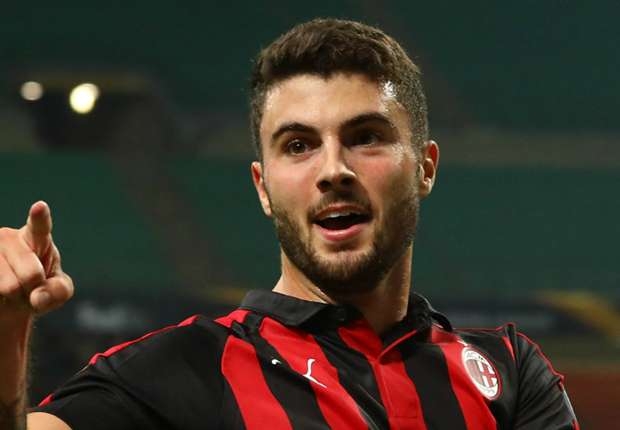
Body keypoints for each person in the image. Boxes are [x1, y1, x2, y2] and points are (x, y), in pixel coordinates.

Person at [0, 18, 578, 430]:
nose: (334, 170)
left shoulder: (510, 373)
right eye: (298, 145)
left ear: (425, 168)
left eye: (365, 137)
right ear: (263, 188)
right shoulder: (183, 370)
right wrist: (5, 334)